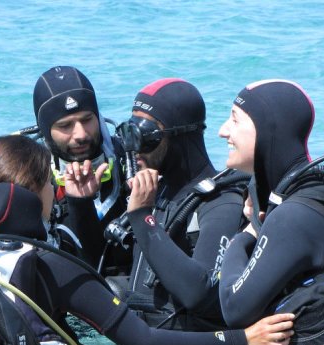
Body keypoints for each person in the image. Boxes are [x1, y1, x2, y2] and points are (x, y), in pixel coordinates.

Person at [0, 134, 294, 345]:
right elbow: (146, 342)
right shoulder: (50, 265)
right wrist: (245, 340)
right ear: (40, 192)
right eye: (53, 184)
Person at [66, 78, 250, 331]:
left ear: (180, 135)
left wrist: (142, 217)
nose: (133, 147)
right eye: (129, 132)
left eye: (144, 136)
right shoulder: (154, 193)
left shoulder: (221, 202)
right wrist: (80, 203)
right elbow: (98, 268)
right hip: (143, 343)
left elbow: (202, 295)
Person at [217, 79, 324, 333]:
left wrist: (246, 235)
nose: (223, 131)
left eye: (234, 120)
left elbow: (234, 310)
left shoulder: (293, 217)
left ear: (267, 130)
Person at [33, 65, 130, 275]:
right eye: (65, 125)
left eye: (87, 120)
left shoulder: (130, 160)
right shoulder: (34, 178)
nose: (81, 134)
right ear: (45, 130)